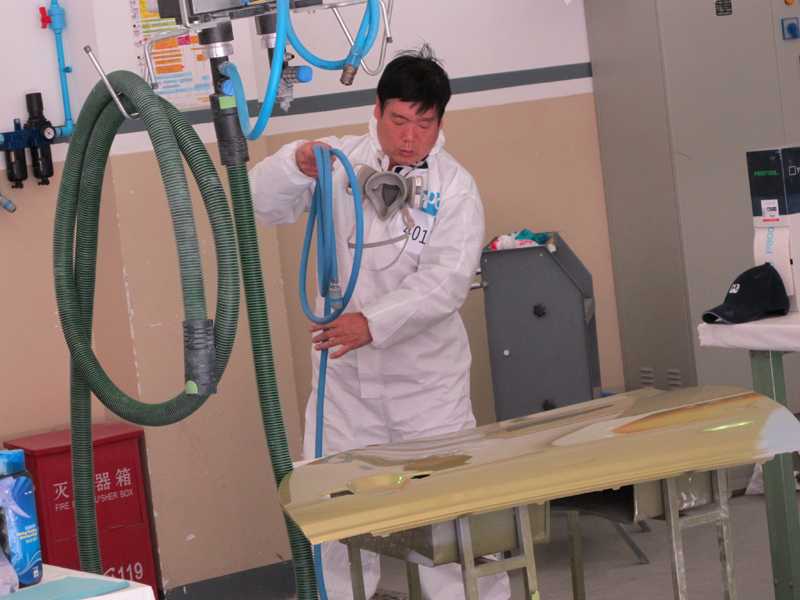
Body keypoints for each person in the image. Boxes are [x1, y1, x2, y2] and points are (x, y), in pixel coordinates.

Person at [250, 46, 509, 600]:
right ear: (377, 109)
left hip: (427, 390)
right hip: (345, 392)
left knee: (451, 518)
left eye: (424, 123)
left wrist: (372, 322)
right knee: (335, 519)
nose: (409, 137)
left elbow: (447, 281)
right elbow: (259, 202)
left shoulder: (456, 188)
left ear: (440, 123)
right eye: (398, 120)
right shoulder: (338, 161)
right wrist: (293, 164)